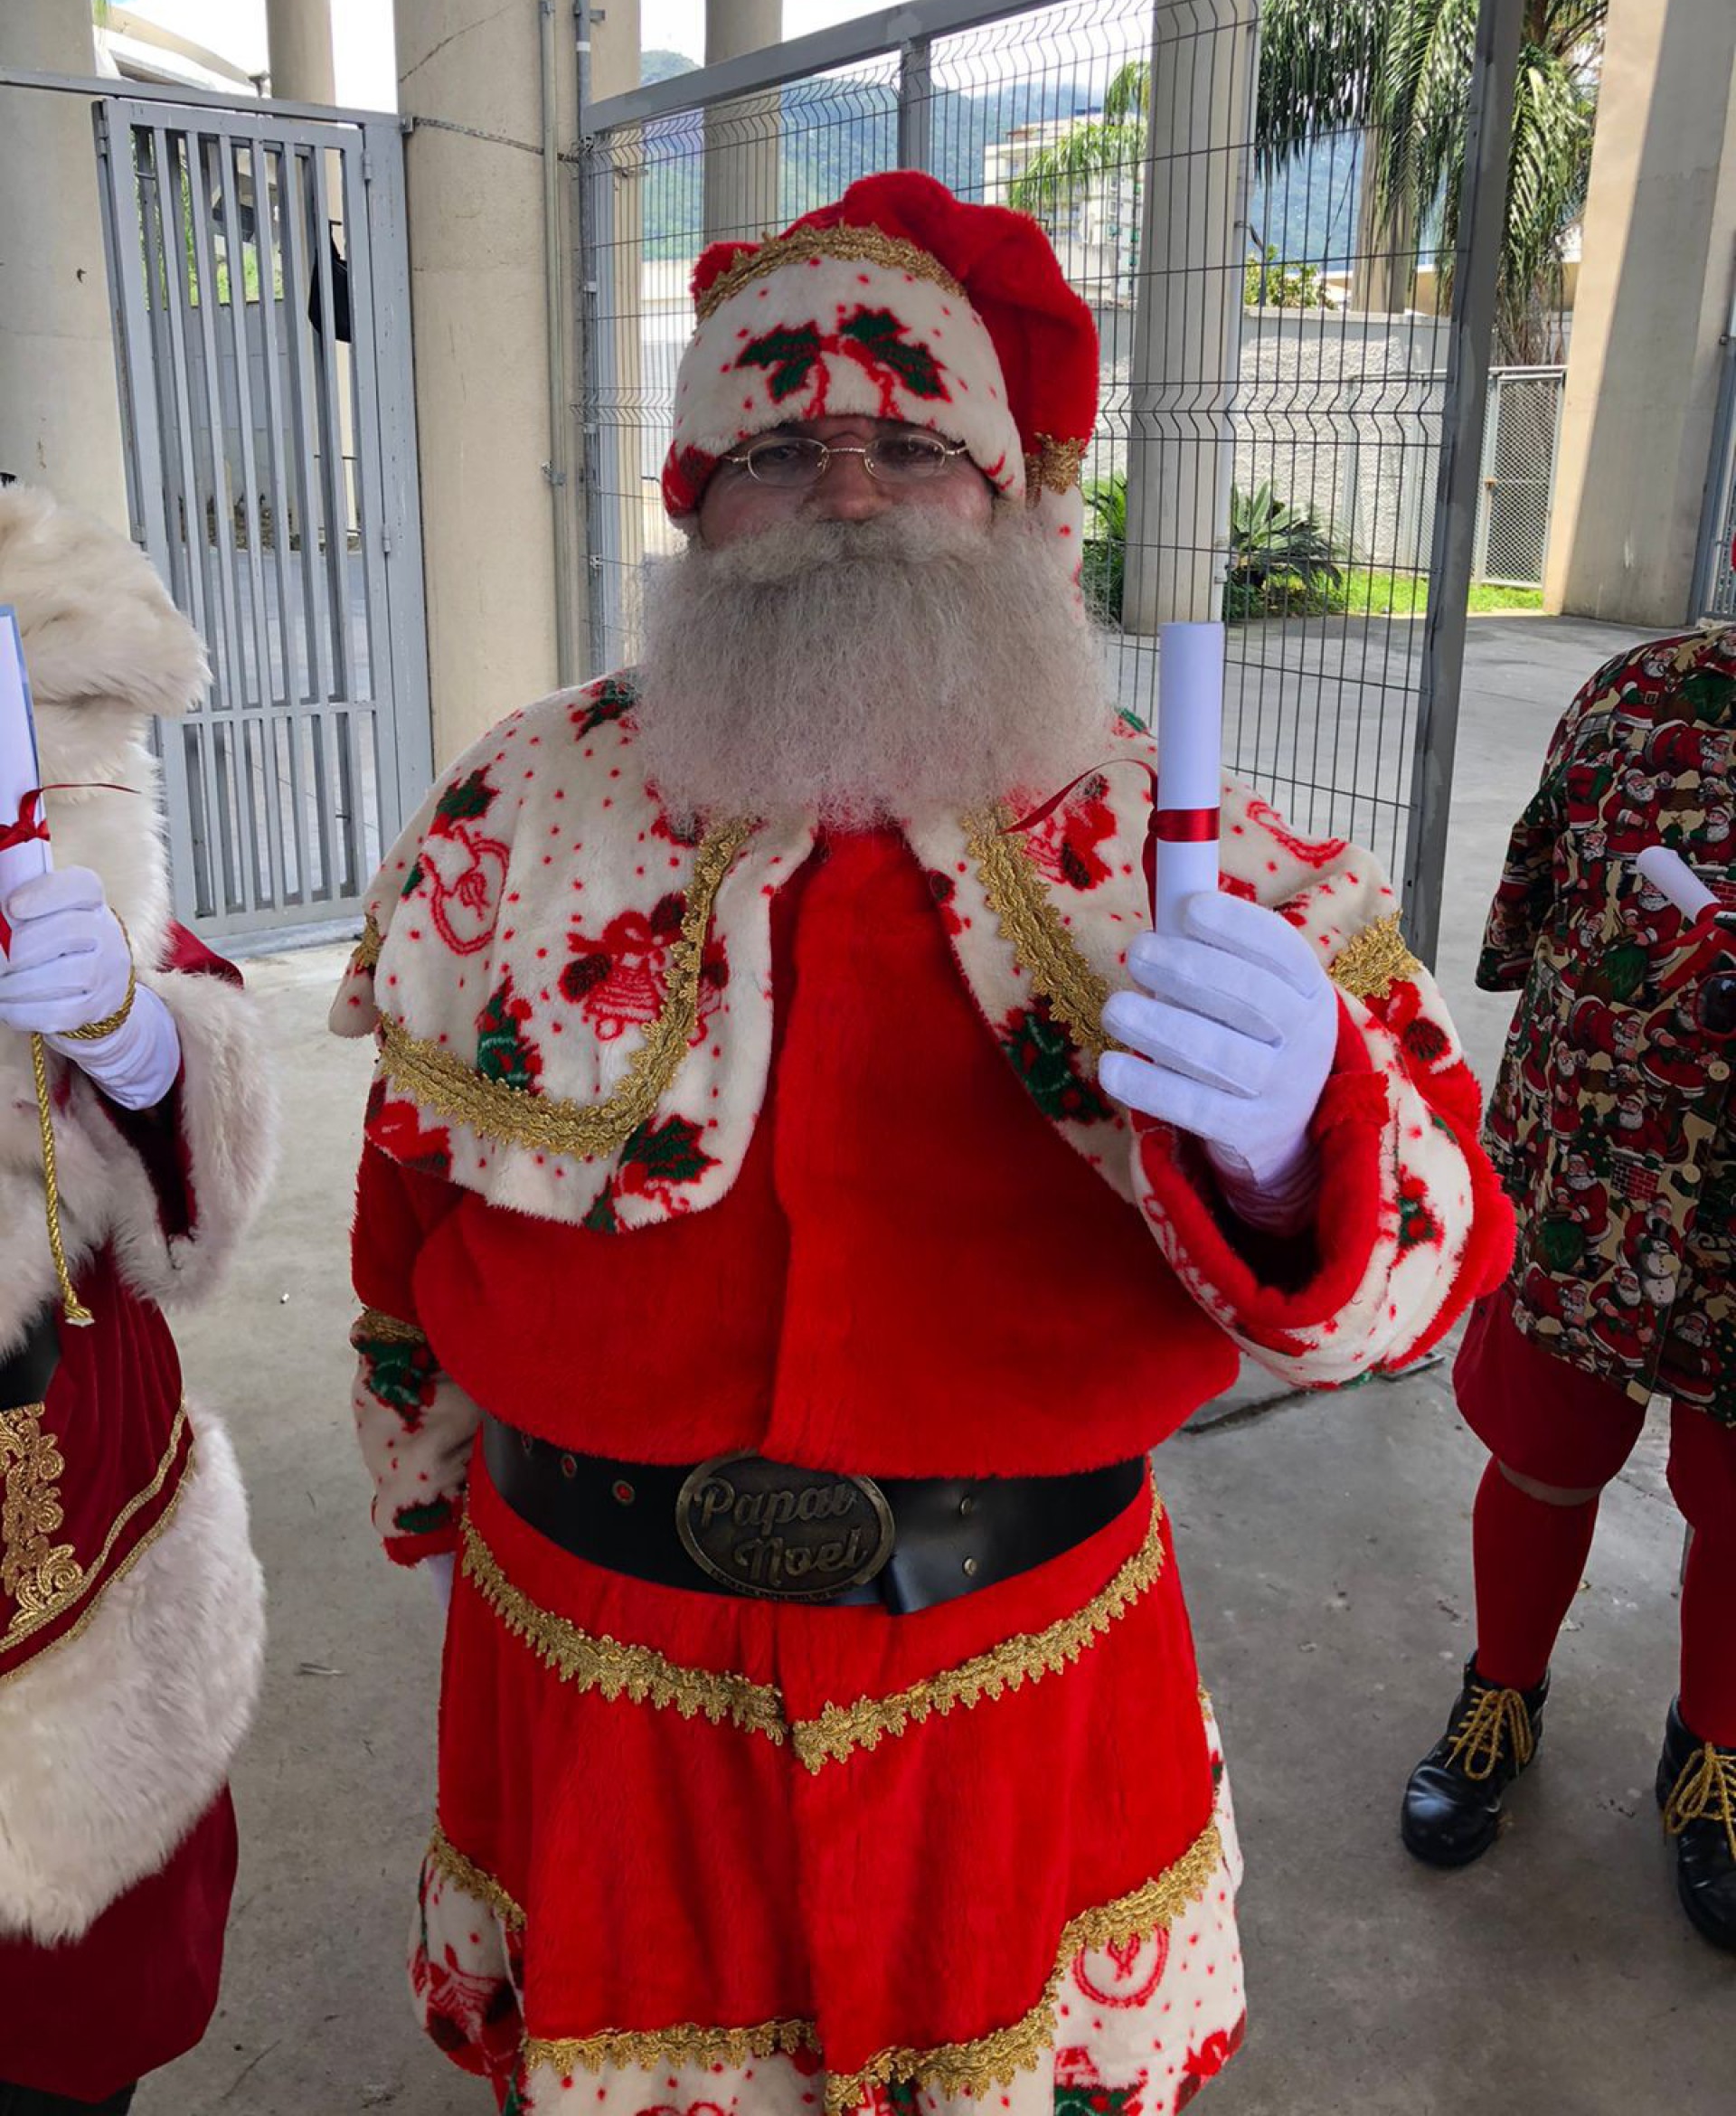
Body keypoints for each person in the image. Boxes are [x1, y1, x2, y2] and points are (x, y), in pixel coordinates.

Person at [334, 171, 1512, 2115]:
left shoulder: (1183, 838)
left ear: (1011, 494)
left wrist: (1300, 1146)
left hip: (1016, 1695)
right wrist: (425, 1493)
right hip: (596, 1678)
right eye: (777, 451)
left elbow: (1436, 1259)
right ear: (692, 504)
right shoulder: (517, 797)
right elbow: (405, 1198)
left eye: (908, 445)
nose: (850, 493)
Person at [0, 486, 275, 2109]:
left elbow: (179, 1006)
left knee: (60, 2017)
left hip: (62, 1468)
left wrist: (137, 1033)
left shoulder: (38, 595)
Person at [1401, 624, 1736, 1953]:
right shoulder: (1637, 691)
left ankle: (1714, 1748)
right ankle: (1503, 1689)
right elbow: (1535, 903)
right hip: (1596, 1152)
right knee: (1543, 1450)